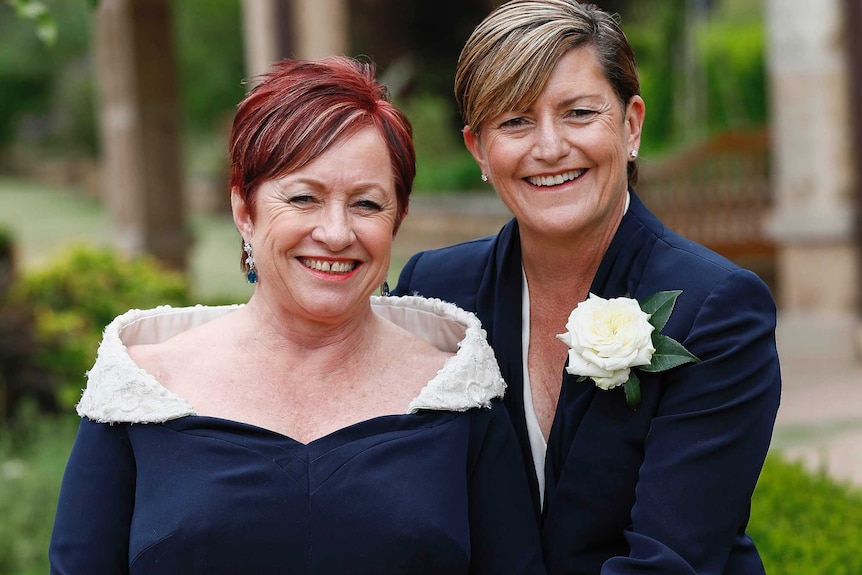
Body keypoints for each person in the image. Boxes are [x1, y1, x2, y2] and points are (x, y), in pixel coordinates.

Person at [48, 56, 546, 575]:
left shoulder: (460, 390)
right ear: (244, 210)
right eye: (304, 198)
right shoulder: (139, 390)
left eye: (367, 204)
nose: (336, 232)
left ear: (398, 217)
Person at [393, 1, 782, 573]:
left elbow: (668, 560)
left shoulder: (717, 309)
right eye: (514, 121)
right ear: (478, 149)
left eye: (578, 112)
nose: (549, 147)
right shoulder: (434, 293)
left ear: (631, 125)